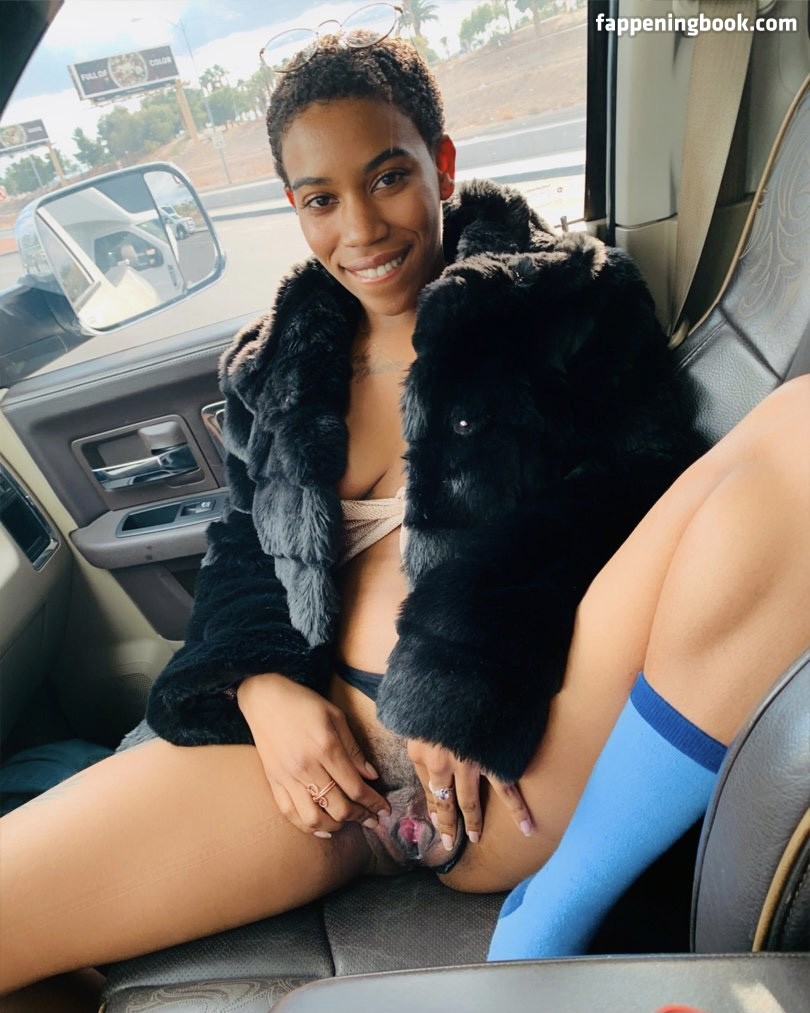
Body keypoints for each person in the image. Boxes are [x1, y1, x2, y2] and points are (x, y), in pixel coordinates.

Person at [1, 21, 809, 1005]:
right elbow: (241, 550)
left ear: (443, 164)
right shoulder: (274, 365)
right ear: (294, 208)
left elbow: (627, 494)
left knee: (802, 427)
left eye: (387, 177)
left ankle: (552, 909)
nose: (362, 229)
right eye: (320, 199)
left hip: (515, 741)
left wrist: (466, 670)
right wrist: (259, 685)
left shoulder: (566, 302)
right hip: (322, 770)